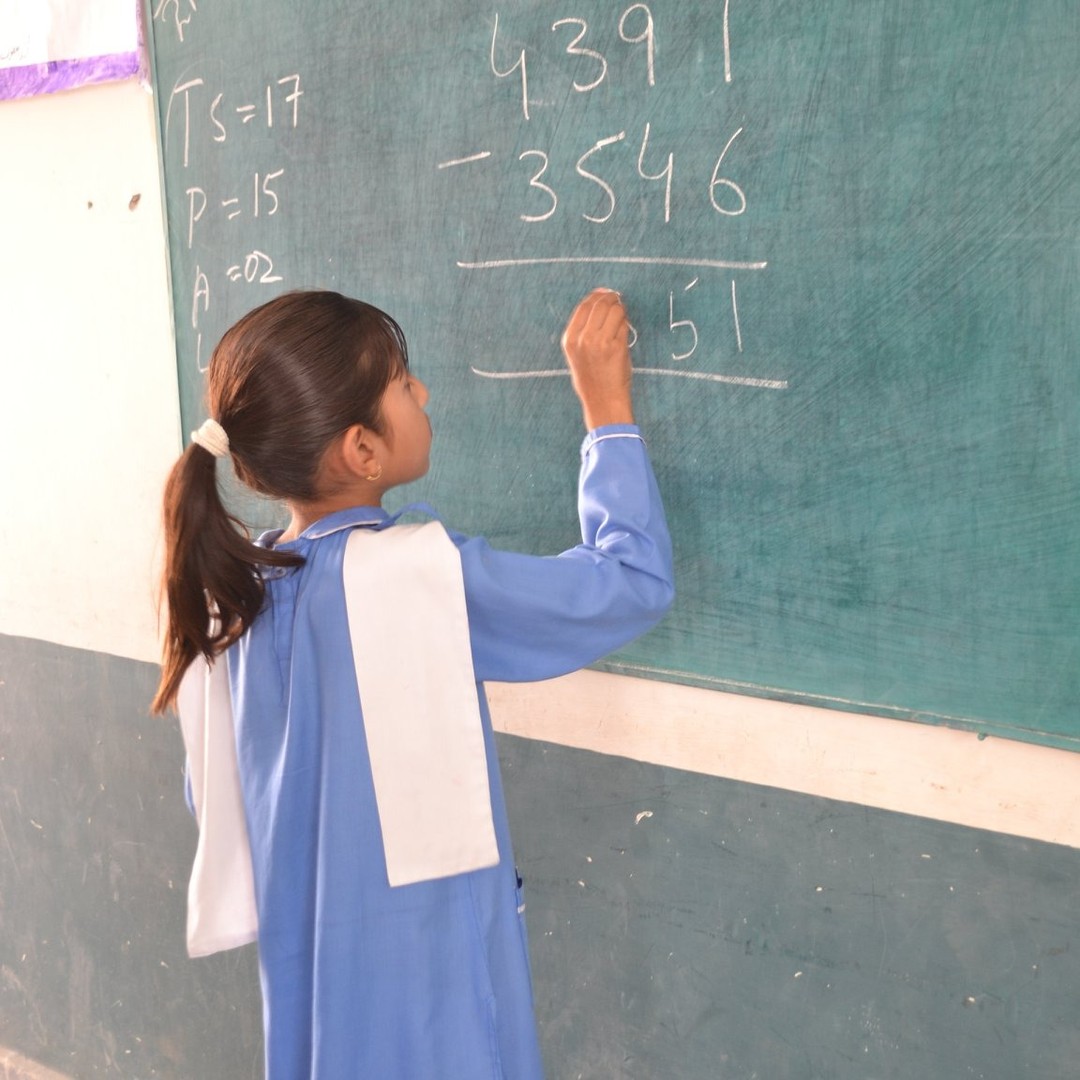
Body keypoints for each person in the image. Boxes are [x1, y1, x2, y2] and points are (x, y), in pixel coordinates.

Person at [152, 287, 674, 1079]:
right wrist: (607, 409)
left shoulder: (239, 598)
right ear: (362, 450)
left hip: (312, 971)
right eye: (403, 382)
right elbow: (630, 581)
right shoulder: (417, 578)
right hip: (428, 975)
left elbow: (214, 795)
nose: (422, 392)